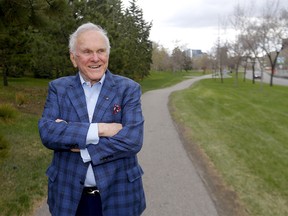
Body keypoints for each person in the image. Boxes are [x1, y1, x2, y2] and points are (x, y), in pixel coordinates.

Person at [38, 22, 146, 216]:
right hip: (69, 197)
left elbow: (132, 140)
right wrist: (100, 130)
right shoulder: (59, 88)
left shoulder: (128, 89)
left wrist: (80, 144)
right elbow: (48, 132)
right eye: (87, 51)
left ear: (108, 55)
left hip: (119, 196)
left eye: (101, 51)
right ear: (74, 58)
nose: (95, 58)